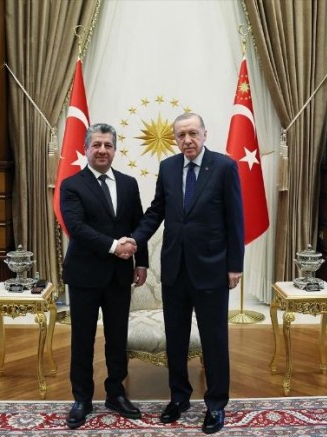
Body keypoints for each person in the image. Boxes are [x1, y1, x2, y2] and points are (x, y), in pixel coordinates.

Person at [130, 112, 244, 434]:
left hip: (212, 268)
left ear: (205, 134)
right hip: (175, 269)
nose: (187, 140)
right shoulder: (168, 167)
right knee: (176, 338)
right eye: (181, 135)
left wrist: (235, 265)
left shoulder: (224, 167)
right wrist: (135, 239)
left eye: (193, 133)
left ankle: (216, 404)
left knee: (214, 339)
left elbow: (235, 219)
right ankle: (179, 397)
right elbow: (156, 211)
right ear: (175, 139)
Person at [59, 123, 148, 430]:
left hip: (119, 275)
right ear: (86, 149)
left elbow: (138, 225)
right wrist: (114, 246)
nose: (102, 150)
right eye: (96, 145)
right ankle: (82, 398)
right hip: (84, 275)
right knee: (82, 339)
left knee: (117, 338)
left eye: (108, 145)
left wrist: (141, 262)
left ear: (115, 150)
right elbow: (77, 228)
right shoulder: (71, 185)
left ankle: (115, 393)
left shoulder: (128, 183)